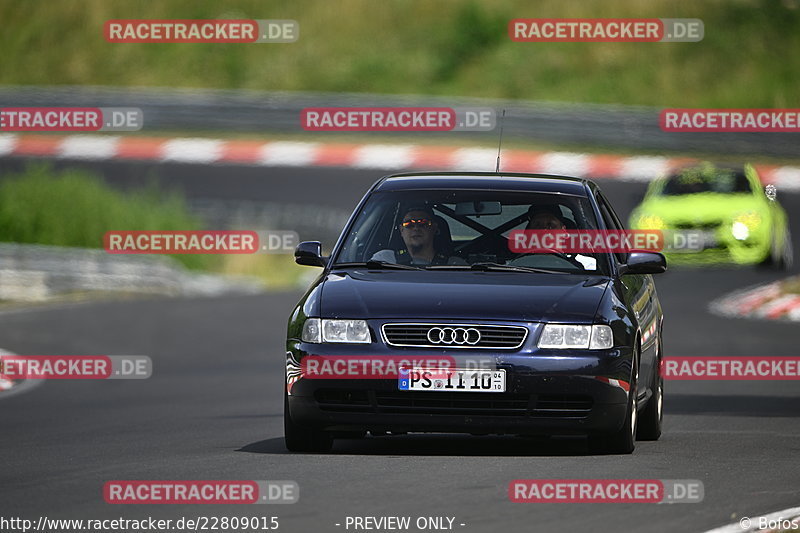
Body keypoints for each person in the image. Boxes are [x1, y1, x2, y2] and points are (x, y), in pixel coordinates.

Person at [370, 206, 463, 266]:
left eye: (423, 223)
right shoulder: (384, 261)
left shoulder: (454, 265)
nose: (416, 228)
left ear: (434, 228)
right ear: (401, 231)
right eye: (409, 224)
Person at [520, 205, 597, 270]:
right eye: (537, 225)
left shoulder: (589, 267)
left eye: (551, 225)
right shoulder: (513, 266)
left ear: (564, 232)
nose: (544, 230)